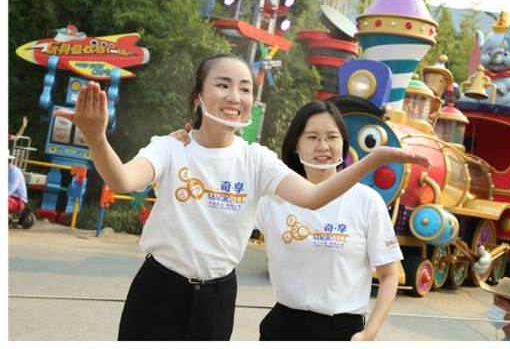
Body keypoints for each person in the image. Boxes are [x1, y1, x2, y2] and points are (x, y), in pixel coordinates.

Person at [54, 54, 429, 340]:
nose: (235, 96)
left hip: (217, 296)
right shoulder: (169, 148)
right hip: (160, 287)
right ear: (199, 96)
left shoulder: (257, 160)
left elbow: (314, 197)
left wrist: (373, 159)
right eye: (223, 85)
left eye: (246, 88)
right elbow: (122, 180)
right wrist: (96, 138)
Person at [171, 100, 404, 340]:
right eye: (312, 137)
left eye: (332, 137)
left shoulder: (367, 201)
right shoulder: (273, 197)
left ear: (343, 142)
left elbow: (389, 274)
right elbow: (212, 202)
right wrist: (188, 148)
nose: (323, 146)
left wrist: (368, 334)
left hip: (342, 331)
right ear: (295, 145)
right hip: (283, 326)